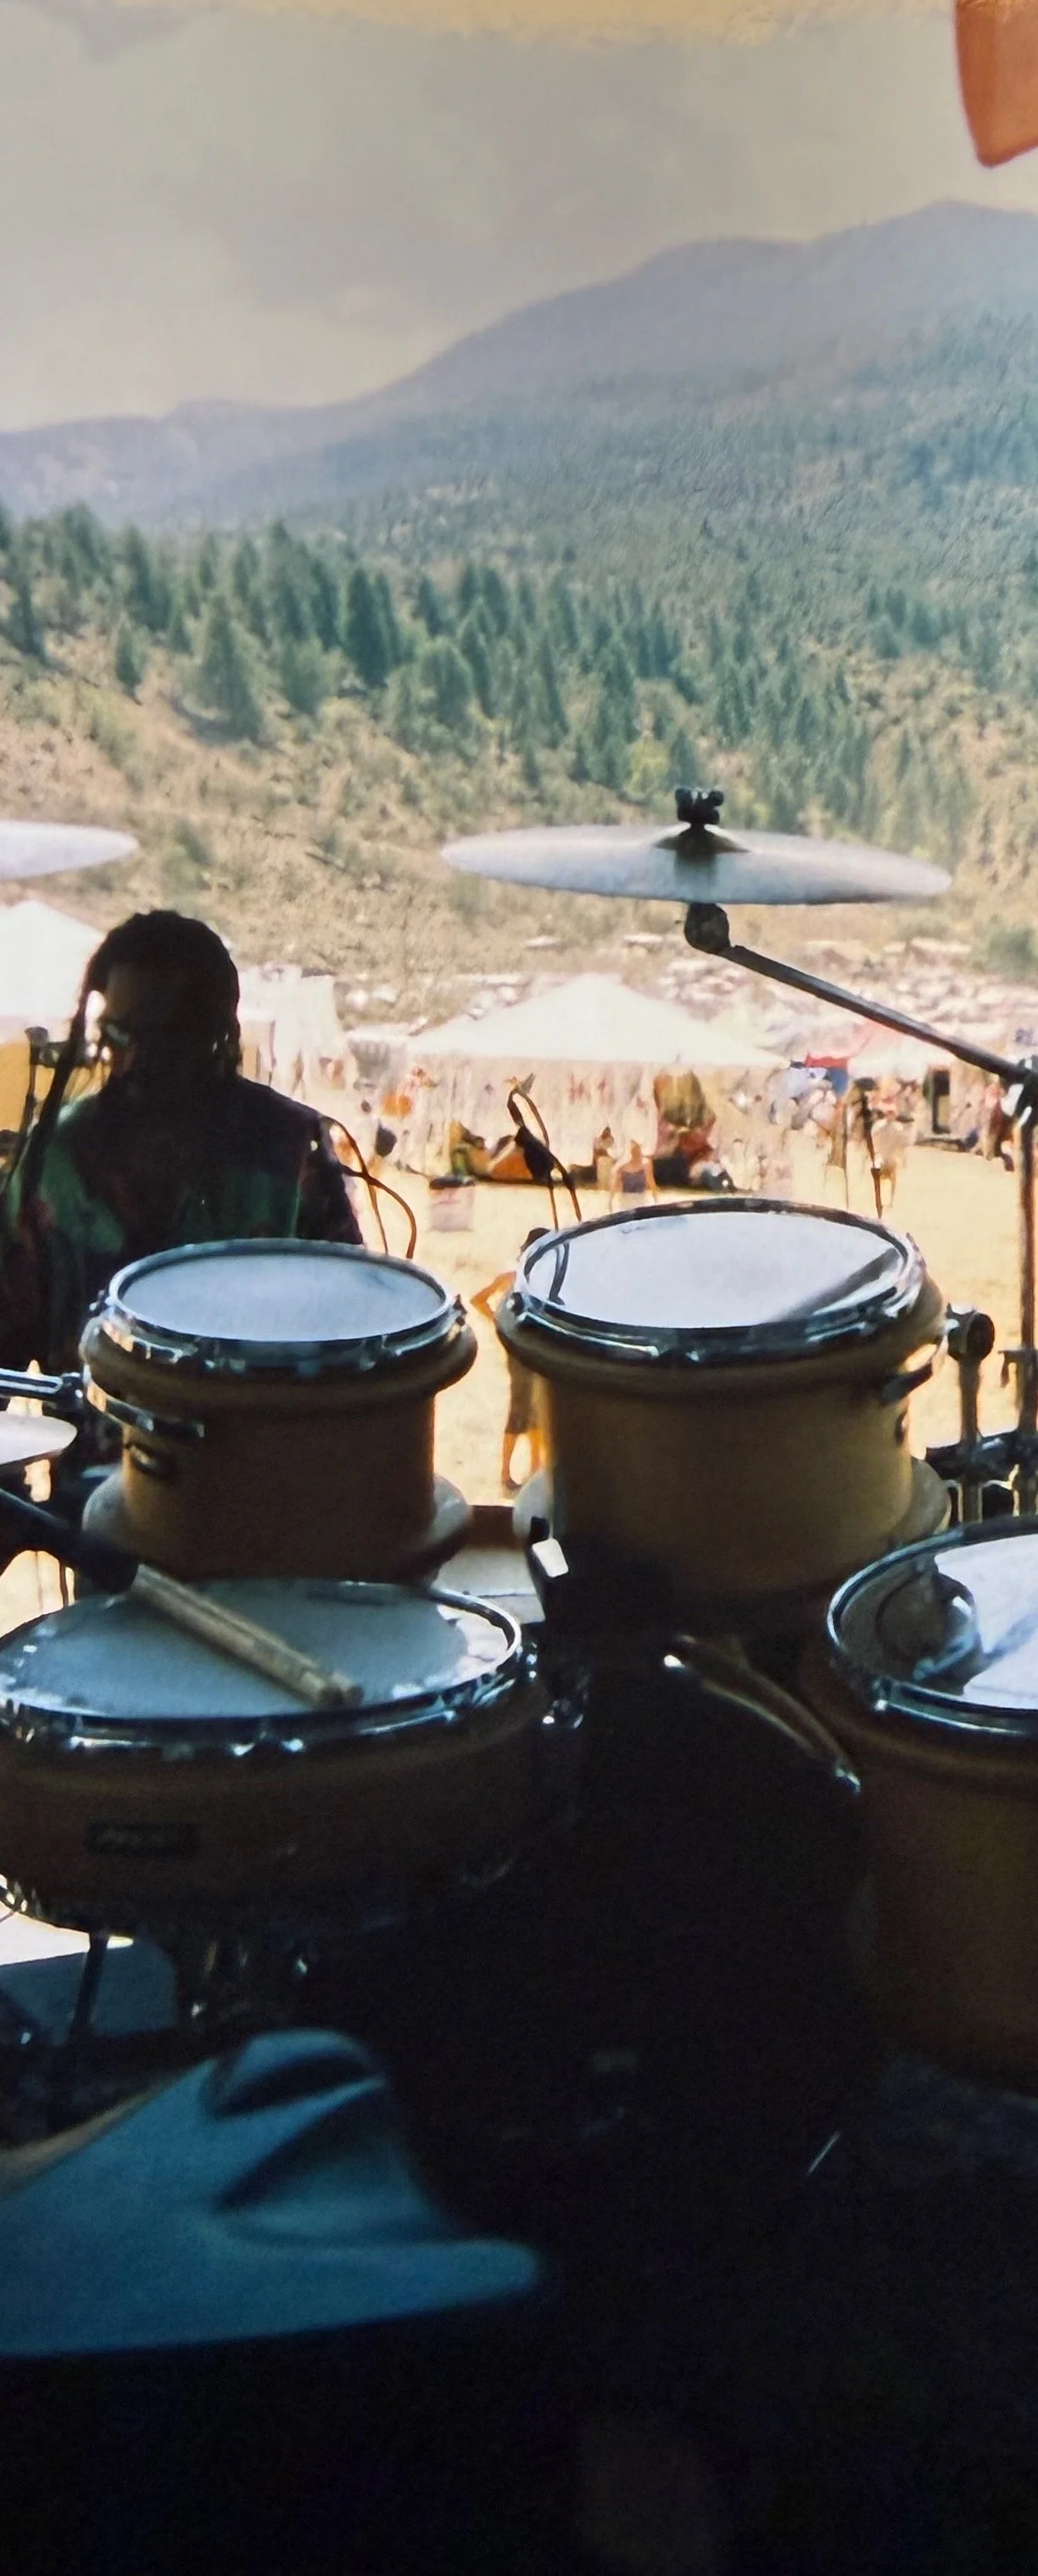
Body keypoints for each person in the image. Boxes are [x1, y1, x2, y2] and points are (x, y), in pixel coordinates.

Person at [0, 910, 362, 1383]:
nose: (132, 1064)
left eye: (158, 1041)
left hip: (255, 1448)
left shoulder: (288, 1150)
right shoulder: (59, 1157)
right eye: (116, 1036)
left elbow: (355, 1337)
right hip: (95, 1449)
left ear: (214, 1034)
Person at [472, 1227, 548, 1494]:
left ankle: (535, 1467)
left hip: (528, 1351)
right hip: (523, 1354)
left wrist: (500, 1324)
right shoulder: (518, 1279)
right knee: (520, 1412)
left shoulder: (518, 1277)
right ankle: (506, 1473)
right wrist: (500, 1324)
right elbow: (478, 1299)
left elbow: (479, 1300)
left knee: (535, 1411)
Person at [611, 1139, 656, 1208]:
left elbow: (651, 1182)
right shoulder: (622, 1167)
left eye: (638, 1151)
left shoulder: (645, 1165)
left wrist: (656, 1198)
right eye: (634, 1152)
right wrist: (610, 1201)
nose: (637, 1154)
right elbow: (614, 1185)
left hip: (641, 1199)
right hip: (626, 1199)